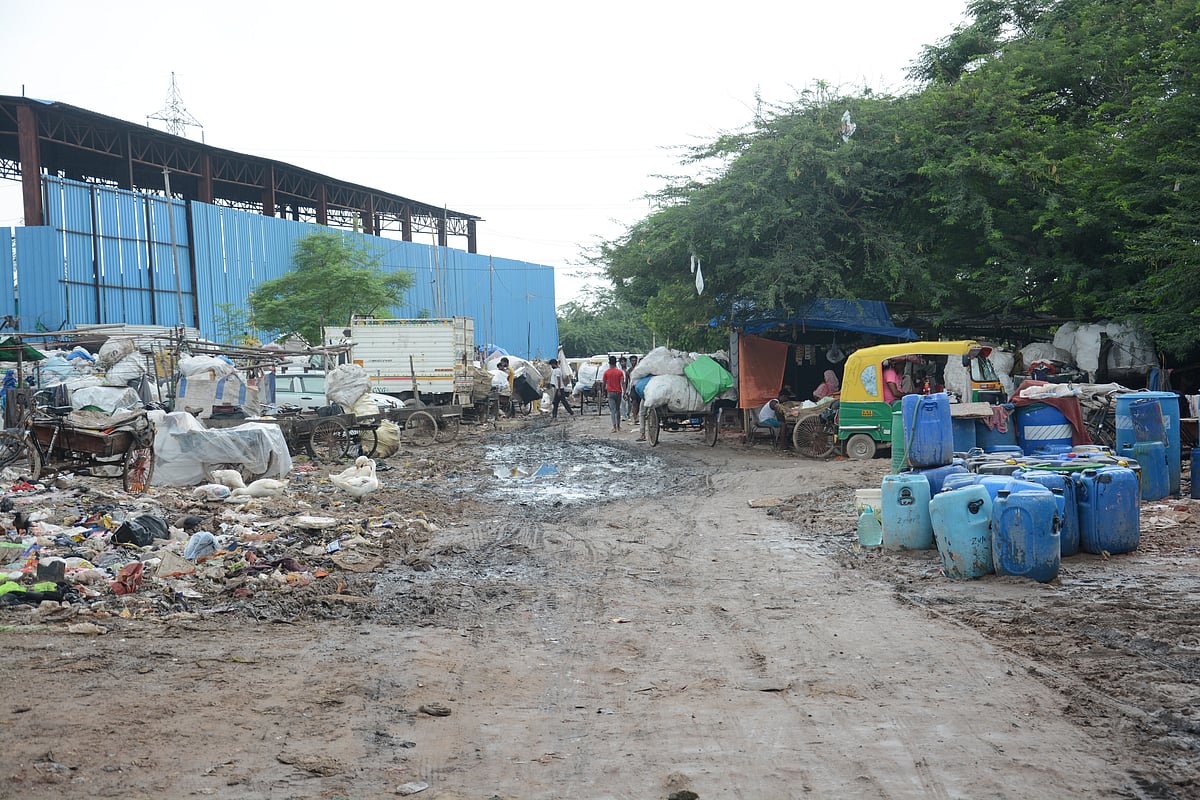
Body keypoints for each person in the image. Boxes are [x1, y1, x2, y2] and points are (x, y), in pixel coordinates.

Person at [602, 355, 626, 433]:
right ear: (616, 363)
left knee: (612, 410)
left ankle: (614, 427)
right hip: (618, 392)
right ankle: (618, 426)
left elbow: (604, 383)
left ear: (609, 363)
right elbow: (623, 383)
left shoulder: (606, 372)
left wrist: (603, 391)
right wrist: (625, 393)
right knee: (618, 409)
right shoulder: (619, 372)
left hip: (610, 392)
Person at [626, 355, 642, 432]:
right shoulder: (629, 371)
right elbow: (627, 381)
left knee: (639, 403)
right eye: (632, 361)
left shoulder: (639, 369)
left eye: (635, 360)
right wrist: (626, 391)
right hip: (633, 388)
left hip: (639, 387)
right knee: (634, 403)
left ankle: (638, 416)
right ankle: (635, 418)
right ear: (630, 361)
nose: (634, 362)